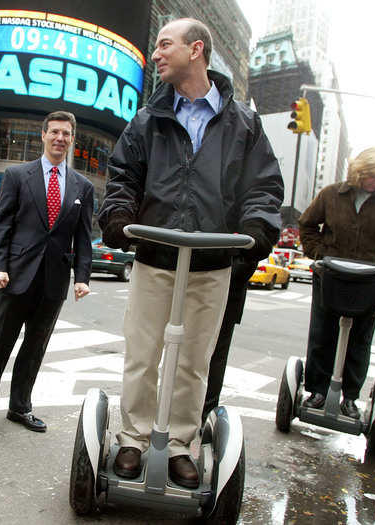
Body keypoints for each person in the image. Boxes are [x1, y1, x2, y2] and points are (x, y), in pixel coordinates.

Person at [98, 18, 283, 488]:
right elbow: (123, 178)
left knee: (194, 361)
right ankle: (135, 439)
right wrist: (119, 218)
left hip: (213, 260)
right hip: (156, 257)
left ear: (195, 50)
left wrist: (256, 230)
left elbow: (262, 186)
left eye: (165, 45)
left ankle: (181, 442)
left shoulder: (243, 123)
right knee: (142, 355)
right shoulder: (147, 119)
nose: (156, 54)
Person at [0, 111, 94, 438]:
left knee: (35, 347)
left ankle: (20, 406)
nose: (60, 138)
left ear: (71, 138)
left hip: (54, 281)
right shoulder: (17, 176)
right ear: (43, 135)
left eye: (66, 133)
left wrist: (82, 277)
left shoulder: (82, 186)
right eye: (54, 132)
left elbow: (82, 238)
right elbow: (4, 225)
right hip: (15, 277)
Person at [298, 146, 375, 418]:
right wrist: (319, 254)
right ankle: (317, 390)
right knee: (322, 333)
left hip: (372, 280)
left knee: (360, 339)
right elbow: (307, 225)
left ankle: (350, 396)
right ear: (359, 172)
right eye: (373, 176)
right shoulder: (332, 194)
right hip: (331, 274)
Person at [201, 255, 258, 424]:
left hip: (229, 286)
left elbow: (256, 248)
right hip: (194, 278)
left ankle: (206, 414)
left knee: (216, 354)